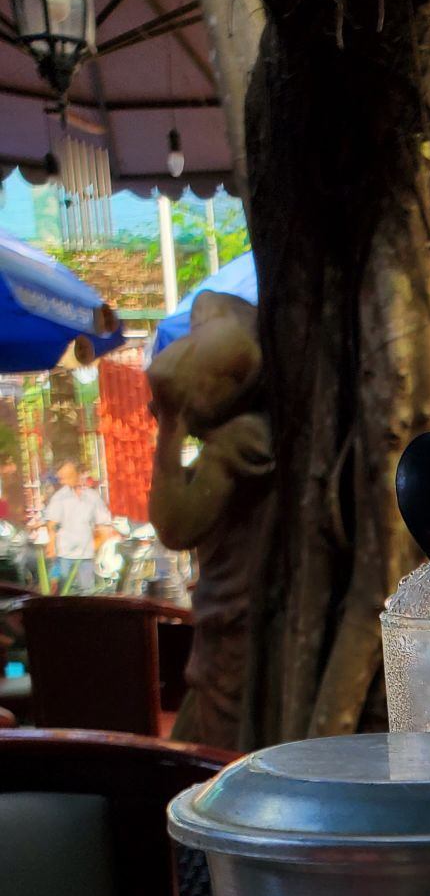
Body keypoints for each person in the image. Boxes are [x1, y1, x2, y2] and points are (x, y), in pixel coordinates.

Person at [147, 292, 275, 749]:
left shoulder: (242, 440)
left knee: (218, 756)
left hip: (235, 632)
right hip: (224, 627)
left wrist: (170, 428)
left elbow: (174, 524)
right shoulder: (241, 436)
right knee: (185, 751)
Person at [43, 461, 114, 592]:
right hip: (64, 555)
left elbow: (104, 524)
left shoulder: (92, 497)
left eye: (68, 476)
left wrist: (95, 545)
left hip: (85, 556)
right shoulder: (59, 498)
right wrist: (51, 547)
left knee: (86, 593)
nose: (63, 480)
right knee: (64, 592)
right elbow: (51, 525)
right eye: (62, 477)